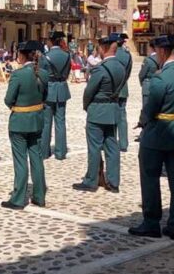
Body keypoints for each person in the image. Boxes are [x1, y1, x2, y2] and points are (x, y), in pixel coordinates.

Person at [129, 34, 174, 239]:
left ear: (163, 51)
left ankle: (151, 221)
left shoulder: (161, 77)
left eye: (156, 51)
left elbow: (150, 108)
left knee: (150, 177)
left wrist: (143, 121)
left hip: (157, 132)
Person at [74, 33, 125, 193]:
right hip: (113, 110)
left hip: (98, 110)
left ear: (103, 48)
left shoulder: (101, 69)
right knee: (112, 146)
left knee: (94, 147)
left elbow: (89, 91)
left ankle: (91, 180)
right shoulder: (121, 67)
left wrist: (86, 106)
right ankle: (113, 181)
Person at [2, 40, 49, 210]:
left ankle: (19, 198)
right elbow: (45, 95)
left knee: (20, 160)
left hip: (20, 121)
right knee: (36, 157)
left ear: (22, 55)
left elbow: (8, 100)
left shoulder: (18, 74)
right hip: (37, 119)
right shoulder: (43, 74)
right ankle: (39, 195)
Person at [41, 31, 72, 160]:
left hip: (49, 89)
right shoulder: (67, 55)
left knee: (46, 122)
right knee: (61, 122)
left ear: (51, 41)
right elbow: (68, 71)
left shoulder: (45, 56)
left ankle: (44, 151)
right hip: (62, 88)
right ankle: (61, 152)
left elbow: (42, 76)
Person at [134, 40, 160, 142]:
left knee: (146, 109)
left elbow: (142, 74)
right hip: (158, 84)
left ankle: (144, 132)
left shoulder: (148, 60)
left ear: (151, 48)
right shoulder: (160, 58)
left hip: (148, 85)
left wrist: (143, 83)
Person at [115, 34, 134, 153]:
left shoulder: (112, 54)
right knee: (122, 116)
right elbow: (129, 72)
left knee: (111, 115)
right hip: (123, 87)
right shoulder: (127, 55)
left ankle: (110, 141)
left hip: (112, 88)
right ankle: (123, 143)